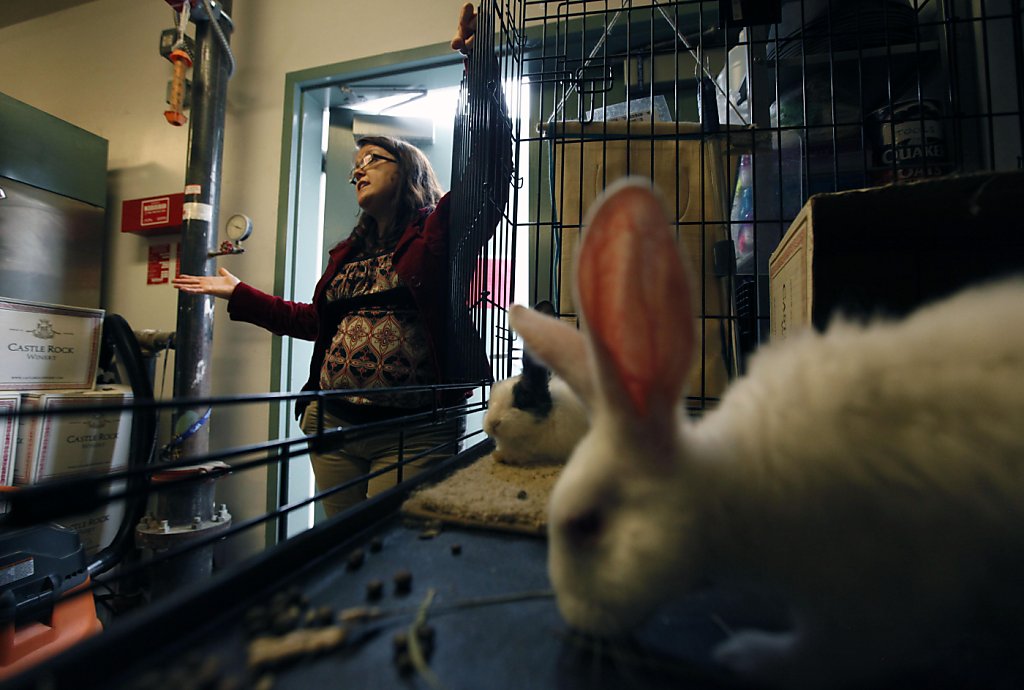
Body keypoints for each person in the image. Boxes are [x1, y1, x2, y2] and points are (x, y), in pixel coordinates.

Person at [173, 2, 508, 517]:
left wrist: (480, 66)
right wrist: (239, 294)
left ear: (409, 169)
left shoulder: (435, 234)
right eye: (354, 167)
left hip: (413, 432)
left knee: (398, 550)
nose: (358, 172)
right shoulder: (346, 254)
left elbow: (488, 171)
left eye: (372, 160)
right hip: (332, 428)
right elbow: (313, 321)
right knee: (341, 550)